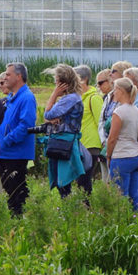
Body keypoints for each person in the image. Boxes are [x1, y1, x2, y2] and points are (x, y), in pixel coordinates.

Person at [0, 62, 37, 216]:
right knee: (9, 191)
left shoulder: (26, 97)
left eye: (8, 74)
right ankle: (14, 222)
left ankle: (19, 224)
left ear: (19, 76)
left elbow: (25, 125)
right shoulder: (11, 98)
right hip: (5, 152)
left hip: (15, 153)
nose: (5, 77)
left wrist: (5, 141)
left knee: (16, 193)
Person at [42, 64, 86, 198]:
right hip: (64, 141)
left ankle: (69, 210)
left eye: (56, 82)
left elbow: (48, 114)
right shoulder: (71, 99)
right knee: (63, 182)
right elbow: (49, 119)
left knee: (64, 182)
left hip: (64, 142)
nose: (55, 85)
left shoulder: (70, 99)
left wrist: (54, 94)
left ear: (62, 83)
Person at [105, 77, 138, 210]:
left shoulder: (119, 112)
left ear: (121, 91)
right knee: (134, 194)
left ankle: (121, 221)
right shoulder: (135, 110)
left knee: (119, 195)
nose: (113, 93)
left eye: (115, 90)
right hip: (136, 155)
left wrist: (108, 155)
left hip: (122, 156)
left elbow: (112, 138)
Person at [74, 64, 105, 194]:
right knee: (80, 182)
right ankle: (83, 209)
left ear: (83, 79)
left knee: (84, 182)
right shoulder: (78, 98)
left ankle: (86, 210)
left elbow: (101, 122)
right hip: (80, 145)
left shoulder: (94, 98)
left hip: (91, 146)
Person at [97, 68, 117, 153]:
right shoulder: (106, 97)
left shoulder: (117, 97)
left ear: (110, 80)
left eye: (100, 83)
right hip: (105, 141)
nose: (98, 86)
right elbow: (100, 121)